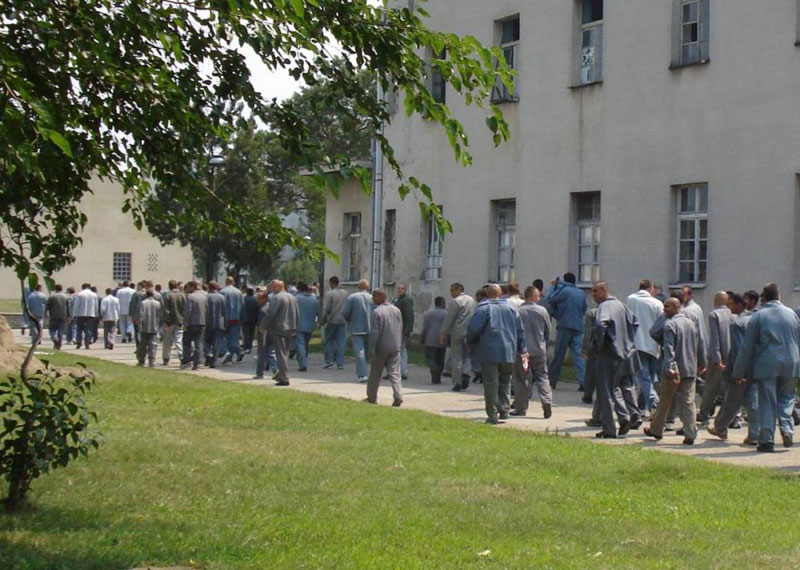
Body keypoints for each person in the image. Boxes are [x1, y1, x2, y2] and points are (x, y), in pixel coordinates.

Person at [732, 283, 800, 452]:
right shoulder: (792, 314)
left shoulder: (759, 316)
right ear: (779, 296)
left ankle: (767, 440)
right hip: (792, 361)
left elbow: (747, 347)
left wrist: (739, 371)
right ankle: (787, 429)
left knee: (767, 401)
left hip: (767, 362)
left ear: (764, 298)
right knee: (787, 397)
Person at [644, 297, 707, 445]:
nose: (664, 310)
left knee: (665, 400)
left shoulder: (669, 325)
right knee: (688, 401)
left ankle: (657, 429)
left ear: (676, 307)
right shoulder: (691, 324)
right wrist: (702, 361)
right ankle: (690, 433)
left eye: (667, 307)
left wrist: (671, 369)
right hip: (690, 367)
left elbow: (668, 349)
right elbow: (700, 343)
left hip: (674, 369)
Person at [467, 284, 527, 425]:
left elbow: (473, 329)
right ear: (500, 294)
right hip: (509, 351)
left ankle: (492, 414)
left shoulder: (483, 308)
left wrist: (470, 342)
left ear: (487, 294)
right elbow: (520, 331)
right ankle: (504, 410)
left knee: (491, 383)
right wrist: (522, 348)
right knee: (505, 381)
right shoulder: (512, 308)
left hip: (490, 351)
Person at [591, 281, 642, 439]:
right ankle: (624, 417)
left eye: (595, 292)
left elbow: (600, 325)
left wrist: (600, 344)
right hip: (626, 353)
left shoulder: (604, 307)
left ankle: (609, 429)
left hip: (609, 353)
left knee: (605, 391)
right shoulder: (622, 306)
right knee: (618, 388)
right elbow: (635, 322)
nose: (592, 295)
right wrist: (627, 340)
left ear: (604, 291)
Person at [708, 293, 760, 444]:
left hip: (740, 369)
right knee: (751, 402)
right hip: (756, 367)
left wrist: (737, 372)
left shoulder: (737, 323)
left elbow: (738, 349)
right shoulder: (756, 320)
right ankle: (753, 433)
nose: (728, 307)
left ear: (738, 305)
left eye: (730, 304)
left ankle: (721, 427)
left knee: (732, 400)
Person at [511, 286, 553, 419]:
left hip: (523, 351)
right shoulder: (542, 311)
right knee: (542, 376)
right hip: (539, 349)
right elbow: (548, 330)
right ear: (534, 297)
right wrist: (544, 342)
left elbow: (514, 331)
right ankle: (546, 401)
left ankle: (521, 408)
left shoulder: (517, 311)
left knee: (522, 379)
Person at [626, 279, 664, 415]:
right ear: (651, 288)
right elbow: (662, 322)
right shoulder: (657, 303)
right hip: (654, 344)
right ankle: (646, 405)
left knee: (644, 377)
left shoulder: (630, 299)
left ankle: (650, 403)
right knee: (649, 376)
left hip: (637, 343)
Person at [545, 273, 587, 390]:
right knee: (578, 356)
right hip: (578, 326)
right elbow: (584, 308)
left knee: (558, 354)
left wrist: (553, 286)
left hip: (564, 324)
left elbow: (550, 299)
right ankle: (583, 381)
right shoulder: (581, 293)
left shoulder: (565, 291)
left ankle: (552, 381)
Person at [365, 289, 404, 406]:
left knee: (375, 374)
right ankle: (398, 395)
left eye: (374, 296)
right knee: (395, 372)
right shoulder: (396, 310)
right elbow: (400, 327)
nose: (372, 299)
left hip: (381, 347)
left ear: (382, 297)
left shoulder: (377, 312)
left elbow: (374, 333)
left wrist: (371, 349)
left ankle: (371, 397)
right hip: (395, 345)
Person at [698, 291, 732, 423]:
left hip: (717, 357)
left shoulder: (714, 315)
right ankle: (734, 416)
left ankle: (704, 414)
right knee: (729, 388)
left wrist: (716, 359)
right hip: (731, 355)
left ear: (715, 301)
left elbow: (715, 338)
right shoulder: (733, 315)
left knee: (711, 387)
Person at [259, 280, 299, 385]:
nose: (271, 289)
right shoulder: (293, 297)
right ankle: (281, 374)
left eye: (273, 286)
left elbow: (271, 312)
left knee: (280, 353)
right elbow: (297, 313)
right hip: (290, 327)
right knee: (285, 352)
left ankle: (284, 377)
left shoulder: (277, 297)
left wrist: (263, 325)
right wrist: (296, 326)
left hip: (279, 328)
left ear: (278, 287)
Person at [438, 282, 476, 392]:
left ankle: (457, 381)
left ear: (458, 290)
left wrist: (443, 333)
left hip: (457, 332)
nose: (451, 293)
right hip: (469, 332)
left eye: (452, 290)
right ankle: (466, 372)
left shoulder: (455, 302)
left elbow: (449, 319)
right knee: (467, 355)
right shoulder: (471, 300)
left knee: (457, 357)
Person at [342, 279, 373, 382]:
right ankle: (371, 373)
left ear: (358, 287)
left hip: (356, 327)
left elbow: (345, 312)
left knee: (359, 352)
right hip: (369, 328)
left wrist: (349, 320)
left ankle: (362, 374)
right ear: (368, 287)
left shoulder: (352, 297)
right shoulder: (372, 298)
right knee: (368, 352)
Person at [320, 276, 349, 369]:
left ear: (331, 283)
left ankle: (329, 360)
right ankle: (340, 363)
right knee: (341, 342)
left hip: (332, 320)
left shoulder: (330, 294)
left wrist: (322, 320)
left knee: (328, 340)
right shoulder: (346, 293)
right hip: (343, 320)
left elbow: (326, 309)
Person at [420, 296, 447, 384]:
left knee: (430, 358)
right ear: (443, 303)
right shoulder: (447, 314)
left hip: (430, 340)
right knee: (440, 359)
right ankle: (437, 377)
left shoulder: (428, 313)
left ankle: (434, 369)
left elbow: (424, 328)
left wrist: (422, 339)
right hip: (442, 340)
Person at [181, 281, 207, 370]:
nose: (187, 289)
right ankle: (197, 363)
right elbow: (207, 310)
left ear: (193, 287)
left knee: (186, 343)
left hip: (191, 323)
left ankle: (187, 361)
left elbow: (188, 311)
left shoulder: (190, 296)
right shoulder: (204, 296)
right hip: (202, 322)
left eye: (188, 287)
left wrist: (185, 323)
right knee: (198, 344)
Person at [392, 283, 414, 380]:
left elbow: (409, 316)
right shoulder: (397, 300)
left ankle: (402, 371)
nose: (400, 290)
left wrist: (407, 330)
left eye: (402, 288)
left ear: (405, 290)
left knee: (401, 350)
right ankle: (396, 371)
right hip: (395, 329)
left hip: (402, 330)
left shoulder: (406, 300)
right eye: (398, 288)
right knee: (397, 350)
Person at [295, 282, 319, 372]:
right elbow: (318, 312)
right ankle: (304, 359)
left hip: (299, 324)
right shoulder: (314, 300)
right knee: (305, 344)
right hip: (310, 325)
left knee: (300, 344)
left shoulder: (297, 299)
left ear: (299, 290)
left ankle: (303, 364)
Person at [220, 276, 244, 364]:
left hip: (225, 318)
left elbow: (221, 305)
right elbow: (242, 305)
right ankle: (237, 352)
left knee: (225, 338)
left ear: (226, 282)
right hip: (236, 318)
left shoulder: (222, 292)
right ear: (233, 282)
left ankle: (232, 354)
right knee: (234, 337)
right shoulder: (238, 292)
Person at [162, 280, 185, 365]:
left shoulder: (168, 296)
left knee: (167, 342)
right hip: (180, 321)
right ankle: (182, 356)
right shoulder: (182, 296)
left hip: (170, 321)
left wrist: (165, 321)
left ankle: (166, 358)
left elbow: (165, 310)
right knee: (179, 341)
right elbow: (184, 309)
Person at [136, 289, 162, 367]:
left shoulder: (143, 303)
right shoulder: (158, 303)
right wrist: (159, 325)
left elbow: (141, 315)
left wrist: (139, 326)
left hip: (144, 327)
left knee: (142, 345)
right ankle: (152, 361)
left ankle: (141, 361)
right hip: (154, 327)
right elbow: (159, 315)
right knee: (153, 345)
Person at [204, 281, 226, 368]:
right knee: (217, 343)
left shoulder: (206, 297)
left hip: (207, 322)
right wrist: (225, 323)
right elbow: (224, 311)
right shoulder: (222, 297)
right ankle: (214, 361)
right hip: (219, 323)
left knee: (206, 341)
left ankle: (208, 354)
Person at [72, 283, 98, 349]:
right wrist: (96, 314)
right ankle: (87, 343)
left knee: (79, 329)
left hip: (80, 314)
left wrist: (74, 314)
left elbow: (76, 305)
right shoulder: (94, 295)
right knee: (89, 329)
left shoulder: (80, 294)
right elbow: (96, 305)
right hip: (90, 314)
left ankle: (79, 342)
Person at [45, 284, 70, 350]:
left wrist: (46, 313)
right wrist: (69, 316)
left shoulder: (52, 297)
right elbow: (68, 308)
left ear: (55, 289)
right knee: (60, 331)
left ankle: (55, 339)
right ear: (61, 289)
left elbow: (47, 306)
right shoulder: (66, 297)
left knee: (52, 329)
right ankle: (59, 345)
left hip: (53, 315)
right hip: (63, 316)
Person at [241, 287, 259, 354]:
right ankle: (250, 346)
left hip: (244, 319)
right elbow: (257, 310)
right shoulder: (255, 300)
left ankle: (247, 346)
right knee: (251, 333)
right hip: (253, 319)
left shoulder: (243, 299)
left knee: (246, 333)